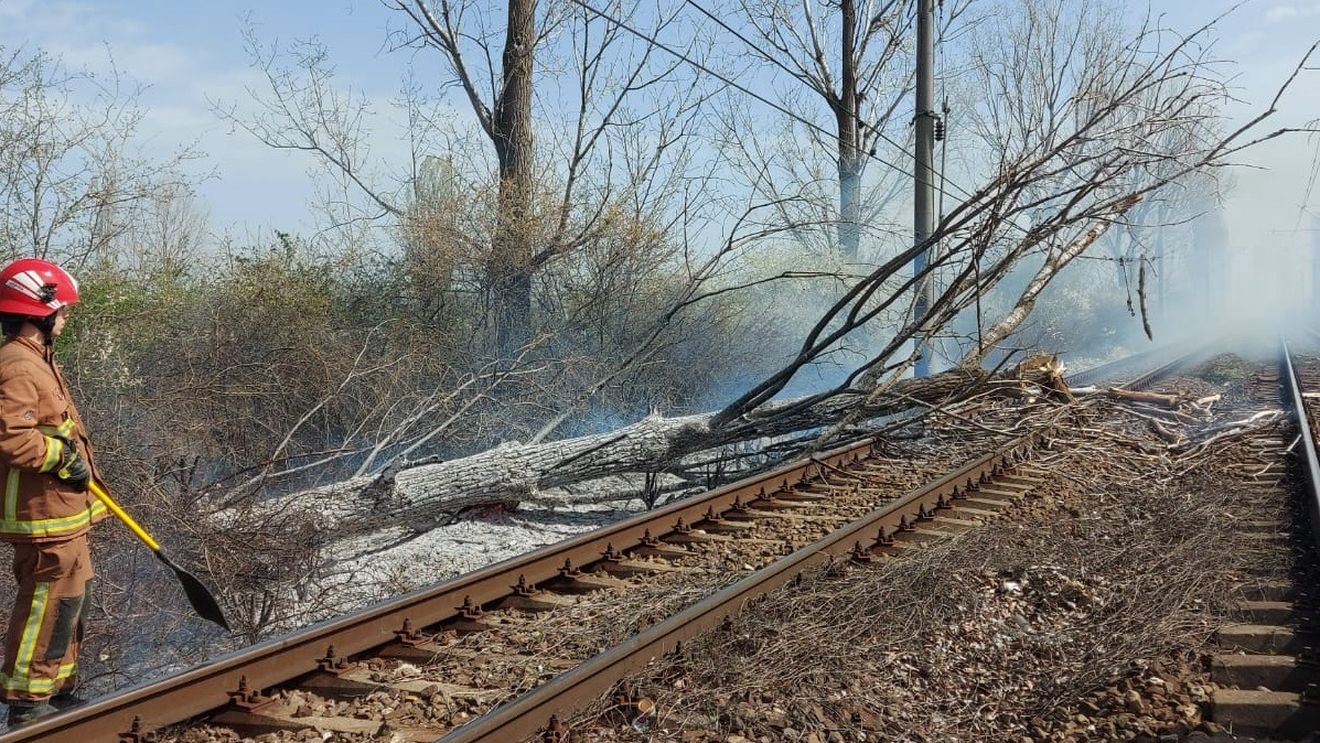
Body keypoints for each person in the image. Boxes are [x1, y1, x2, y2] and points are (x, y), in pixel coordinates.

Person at [0, 258, 103, 726]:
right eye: (61, 310)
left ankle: (57, 690)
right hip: (42, 517)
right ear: (36, 311)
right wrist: (64, 460)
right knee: (46, 603)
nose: (65, 318)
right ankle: (27, 705)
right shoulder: (17, 365)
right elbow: (13, 438)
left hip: (65, 513)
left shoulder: (38, 358)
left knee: (69, 598)